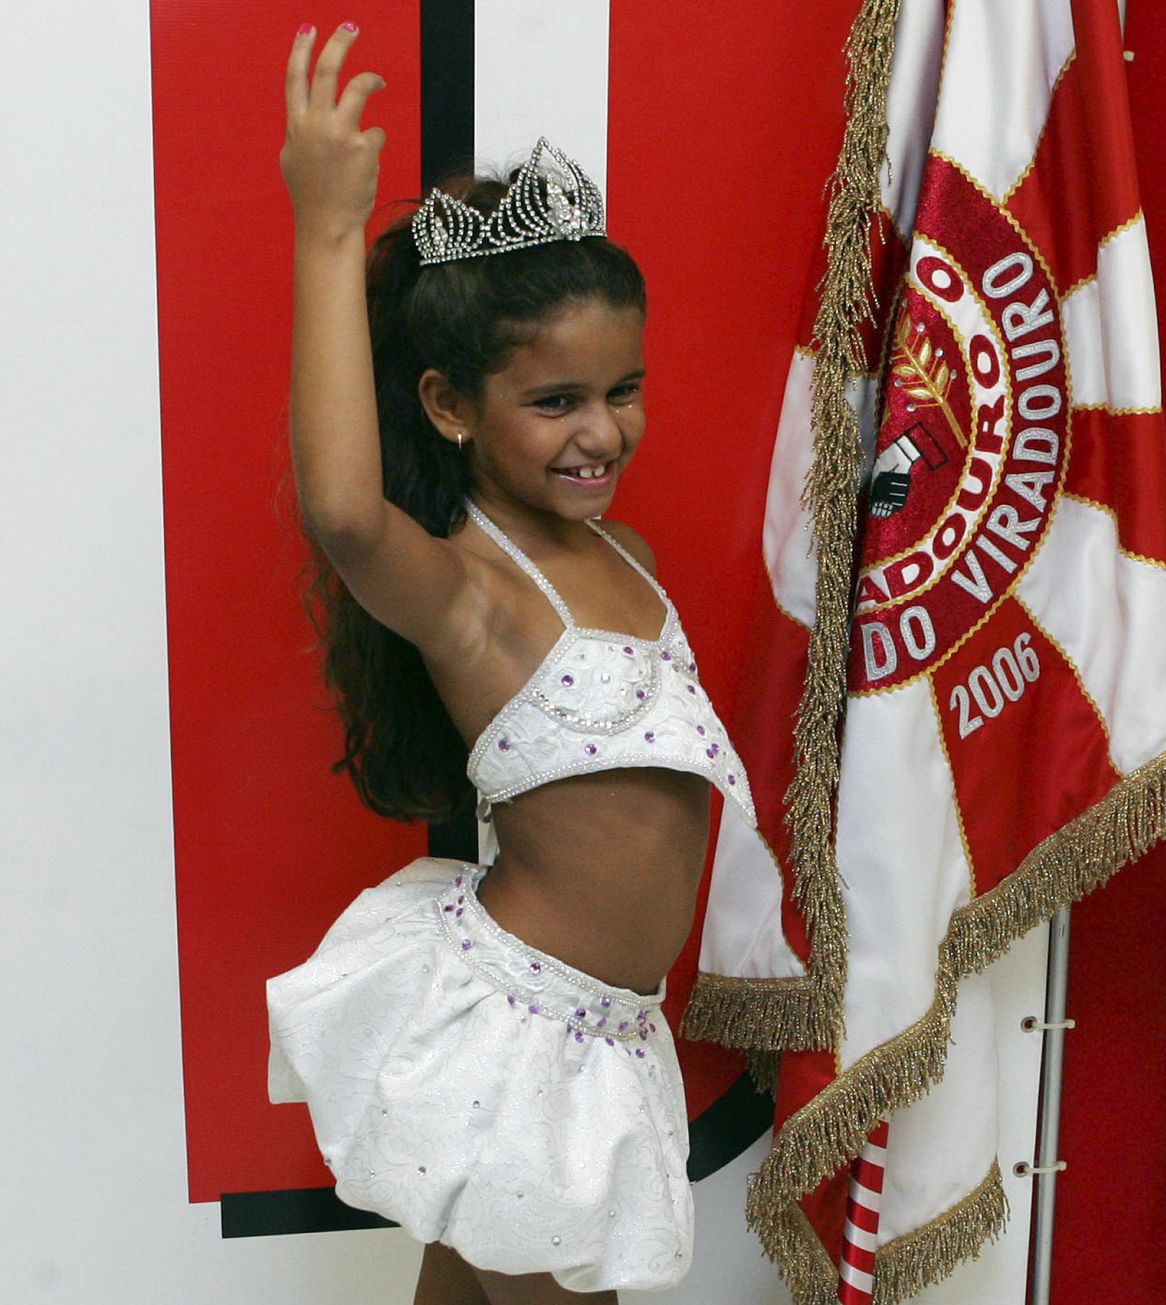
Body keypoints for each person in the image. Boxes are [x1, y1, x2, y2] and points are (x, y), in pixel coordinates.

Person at [265, 23, 755, 1305]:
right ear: (447, 406)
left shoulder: (628, 556)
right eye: (555, 403)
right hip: (524, 1037)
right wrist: (328, 230)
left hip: (605, 1031)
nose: (603, 431)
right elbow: (345, 517)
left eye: (623, 388)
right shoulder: (469, 587)